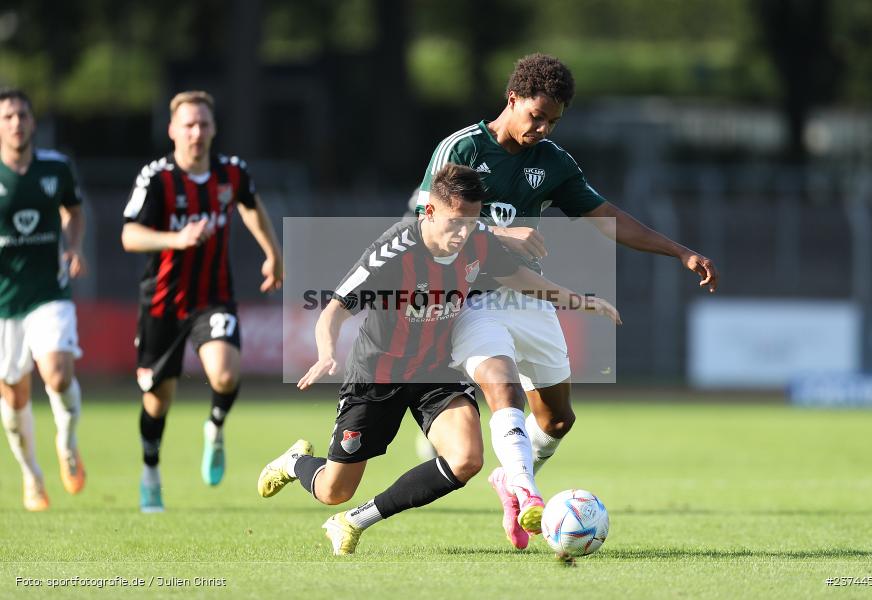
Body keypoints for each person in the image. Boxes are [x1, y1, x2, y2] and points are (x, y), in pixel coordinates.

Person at [416, 53, 719, 548]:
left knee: (557, 420)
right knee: (503, 388)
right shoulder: (463, 148)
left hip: (526, 295)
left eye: (553, 121)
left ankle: (509, 477)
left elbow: (607, 216)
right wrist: (499, 233)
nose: (542, 129)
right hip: (469, 296)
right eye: (536, 116)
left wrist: (679, 252)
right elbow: (424, 221)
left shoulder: (552, 161)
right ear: (512, 99)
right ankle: (525, 493)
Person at [257, 164, 620, 555]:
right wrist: (327, 352)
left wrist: (579, 301)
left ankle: (354, 521)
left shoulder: (478, 240)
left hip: (436, 371)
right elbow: (334, 310)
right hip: (378, 374)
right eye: (455, 223)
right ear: (428, 212)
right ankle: (295, 462)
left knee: (467, 459)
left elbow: (521, 279)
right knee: (334, 490)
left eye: (471, 223)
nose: (462, 233)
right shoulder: (392, 252)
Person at [122, 90, 283, 512]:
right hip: (162, 304)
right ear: (172, 130)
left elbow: (251, 205)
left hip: (213, 297)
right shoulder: (156, 177)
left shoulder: (231, 172)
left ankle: (215, 426)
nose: (196, 132)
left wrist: (273, 253)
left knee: (225, 375)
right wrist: (177, 239)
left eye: (203, 124)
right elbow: (129, 235)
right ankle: (150, 472)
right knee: (158, 399)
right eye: (188, 125)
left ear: (213, 129)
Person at [0, 88, 87, 511]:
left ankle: (67, 445)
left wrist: (74, 246)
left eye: (22, 115)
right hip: (4, 303)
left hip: (49, 292)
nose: (16, 122)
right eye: (7, 116)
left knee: (56, 373)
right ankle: (32, 476)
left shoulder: (56, 167)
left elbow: (74, 210)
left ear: (33, 122)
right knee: (14, 397)